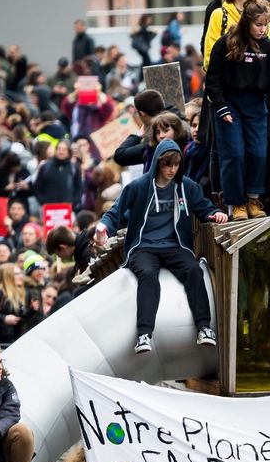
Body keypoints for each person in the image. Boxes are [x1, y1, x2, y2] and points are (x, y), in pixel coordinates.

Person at [94, 140, 227, 353]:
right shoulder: (139, 187)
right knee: (147, 274)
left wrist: (214, 214)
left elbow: (203, 208)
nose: (172, 170)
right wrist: (103, 229)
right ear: (157, 163)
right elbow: (115, 213)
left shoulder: (186, 186)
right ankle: (144, 333)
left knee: (193, 270)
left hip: (175, 245)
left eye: (175, 165)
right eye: (167, 165)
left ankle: (204, 327)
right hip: (143, 246)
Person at [205, 1, 270, 220]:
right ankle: (236, 202)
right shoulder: (226, 43)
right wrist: (221, 106)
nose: (263, 29)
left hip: (256, 104)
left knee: (258, 153)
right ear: (247, 23)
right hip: (229, 103)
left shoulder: (268, 47)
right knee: (234, 153)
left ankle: (253, 198)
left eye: (266, 25)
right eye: (258, 25)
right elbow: (212, 80)